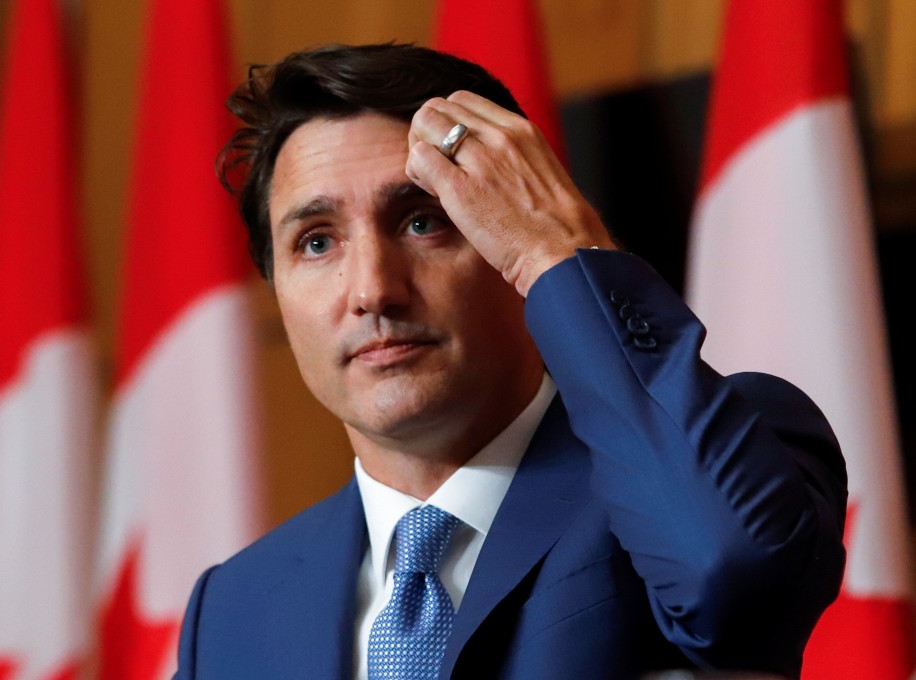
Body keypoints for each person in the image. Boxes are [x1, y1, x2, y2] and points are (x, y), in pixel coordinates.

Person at [173, 43, 846, 679]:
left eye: (422, 221)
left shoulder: (719, 454)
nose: (373, 289)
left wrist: (560, 253)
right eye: (317, 243)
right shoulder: (235, 608)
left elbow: (728, 571)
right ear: (278, 290)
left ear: (509, 235)